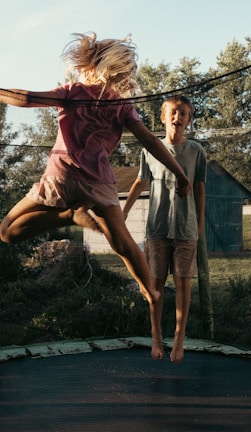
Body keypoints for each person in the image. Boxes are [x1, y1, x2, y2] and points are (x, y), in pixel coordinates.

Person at [0, 32, 192, 306]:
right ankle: (150, 290)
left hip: (61, 177)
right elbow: (150, 141)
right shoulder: (121, 105)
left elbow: (27, 98)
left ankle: (69, 216)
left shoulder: (72, 92)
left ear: (92, 63)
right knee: (123, 243)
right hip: (98, 184)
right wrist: (180, 173)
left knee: (7, 231)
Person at [123, 96, 206, 362]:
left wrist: (200, 222)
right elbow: (139, 182)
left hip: (186, 228)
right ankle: (156, 336)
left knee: (183, 282)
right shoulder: (150, 148)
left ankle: (179, 339)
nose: (177, 118)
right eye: (173, 112)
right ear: (163, 117)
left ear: (188, 120)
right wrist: (122, 212)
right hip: (157, 228)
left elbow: (200, 187)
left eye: (183, 114)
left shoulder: (196, 151)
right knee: (155, 283)